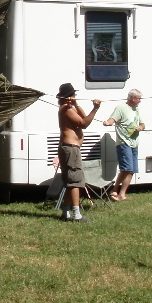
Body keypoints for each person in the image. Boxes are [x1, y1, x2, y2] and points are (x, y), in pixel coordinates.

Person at [56, 82, 101, 222]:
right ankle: (76, 214)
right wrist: (95, 109)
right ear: (68, 96)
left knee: (71, 181)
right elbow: (84, 124)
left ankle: (66, 212)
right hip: (70, 148)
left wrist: (76, 104)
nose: (75, 96)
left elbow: (83, 117)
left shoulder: (70, 108)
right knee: (75, 181)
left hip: (70, 148)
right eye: (73, 95)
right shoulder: (66, 109)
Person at [103, 88, 145, 201]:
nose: (140, 101)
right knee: (126, 168)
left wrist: (140, 127)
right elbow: (112, 119)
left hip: (134, 144)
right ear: (133, 98)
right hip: (124, 143)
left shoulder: (136, 109)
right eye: (139, 98)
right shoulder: (121, 108)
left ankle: (122, 194)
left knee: (132, 170)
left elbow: (143, 124)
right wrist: (107, 123)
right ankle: (114, 190)